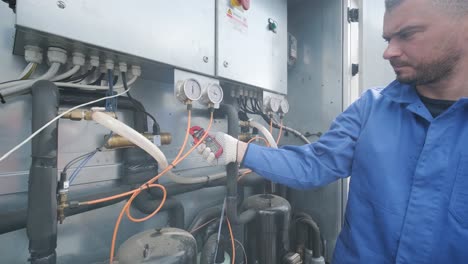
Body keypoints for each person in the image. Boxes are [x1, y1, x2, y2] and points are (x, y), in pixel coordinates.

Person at [198, 0, 468, 263]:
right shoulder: (370, 109)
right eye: (387, 40)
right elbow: (313, 164)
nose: (389, 52)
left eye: (407, 34)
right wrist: (239, 150)